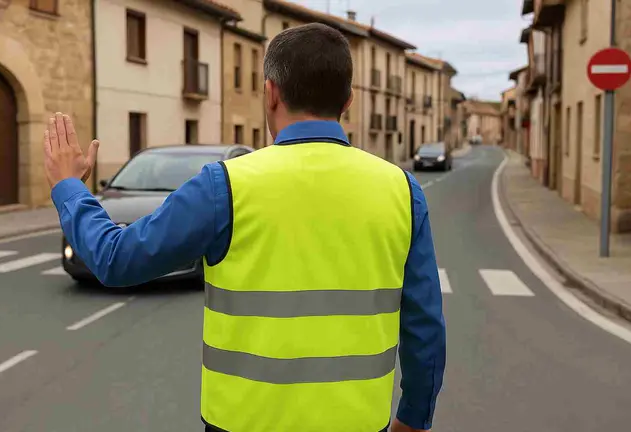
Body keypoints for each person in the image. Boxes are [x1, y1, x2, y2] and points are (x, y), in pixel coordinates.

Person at [43, 23, 445, 432]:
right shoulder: (402, 190)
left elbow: (115, 259)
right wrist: (413, 418)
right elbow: (425, 327)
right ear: (349, 100)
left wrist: (69, 188)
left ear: (270, 93)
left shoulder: (225, 186)